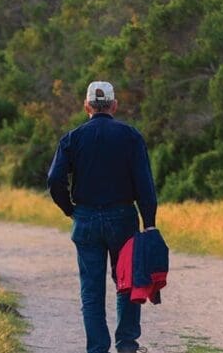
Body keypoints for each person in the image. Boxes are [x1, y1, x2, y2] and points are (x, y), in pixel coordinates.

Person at [48, 81, 158, 353]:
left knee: (91, 291)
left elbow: (54, 179)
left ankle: (97, 348)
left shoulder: (72, 138)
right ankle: (127, 346)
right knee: (127, 283)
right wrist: (150, 223)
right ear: (114, 105)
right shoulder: (131, 136)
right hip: (123, 218)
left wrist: (71, 209)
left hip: (85, 218)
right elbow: (145, 185)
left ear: (87, 106)